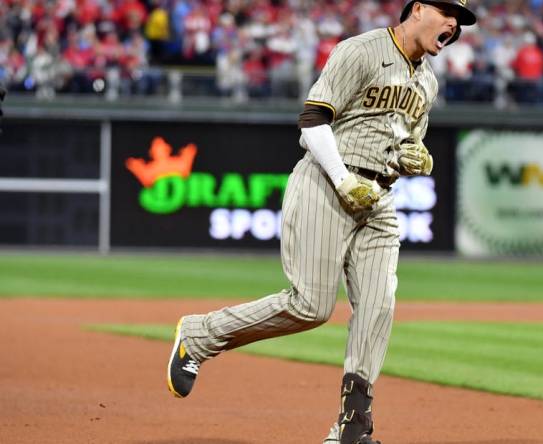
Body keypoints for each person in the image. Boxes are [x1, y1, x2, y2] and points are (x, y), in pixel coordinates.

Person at [166, 2, 476, 443]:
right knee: (310, 306)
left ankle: (352, 426)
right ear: (419, 7)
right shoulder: (362, 50)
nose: (453, 24)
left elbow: (407, 142)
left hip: (379, 200)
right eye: (449, 12)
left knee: (377, 307)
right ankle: (199, 335)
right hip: (326, 183)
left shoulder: (427, 80)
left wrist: (417, 157)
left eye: (460, 21)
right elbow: (312, 122)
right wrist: (344, 179)